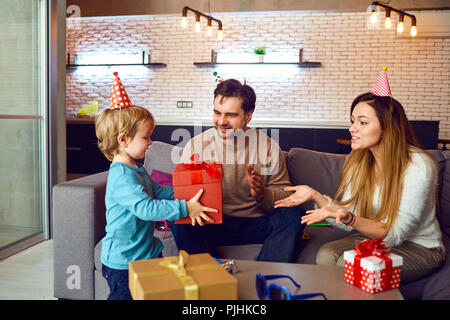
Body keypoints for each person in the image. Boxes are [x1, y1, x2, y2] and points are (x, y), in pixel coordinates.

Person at [275, 67, 445, 283]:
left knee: (348, 265)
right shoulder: (357, 161)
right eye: (352, 121)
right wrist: (316, 196)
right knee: (327, 255)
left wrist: (350, 217)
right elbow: (348, 217)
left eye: (362, 122)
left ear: (388, 127)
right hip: (375, 239)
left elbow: (394, 233)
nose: (352, 129)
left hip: (418, 248)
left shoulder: (418, 166)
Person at [96, 72, 216, 300]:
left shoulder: (136, 169)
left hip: (147, 253)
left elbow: (159, 191)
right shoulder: (121, 177)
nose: (151, 142)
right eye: (146, 137)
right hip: (124, 263)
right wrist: (185, 208)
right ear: (123, 140)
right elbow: (147, 208)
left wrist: (189, 192)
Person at [170, 78, 306, 263]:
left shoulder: (267, 147)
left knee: (293, 215)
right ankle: (208, 273)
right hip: (211, 224)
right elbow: (183, 197)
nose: (221, 121)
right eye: (217, 113)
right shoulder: (196, 146)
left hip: (255, 225)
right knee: (178, 214)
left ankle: (265, 277)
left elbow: (286, 197)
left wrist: (262, 193)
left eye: (231, 115)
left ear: (248, 116)